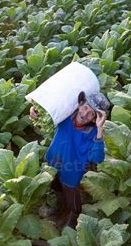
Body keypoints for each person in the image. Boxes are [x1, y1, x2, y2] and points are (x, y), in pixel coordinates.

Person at [29, 91, 110, 228]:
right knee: (55, 185)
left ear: (94, 119)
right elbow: (43, 117)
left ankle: (74, 214)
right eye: (85, 108)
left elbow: (97, 159)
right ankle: (60, 206)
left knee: (70, 194)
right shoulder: (64, 116)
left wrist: (100, 128)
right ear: (80, 104)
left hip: (71, 170)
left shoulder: (93, 134)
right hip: (53, 161)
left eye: (91, 113)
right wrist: (34, 111)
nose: (85, 114)